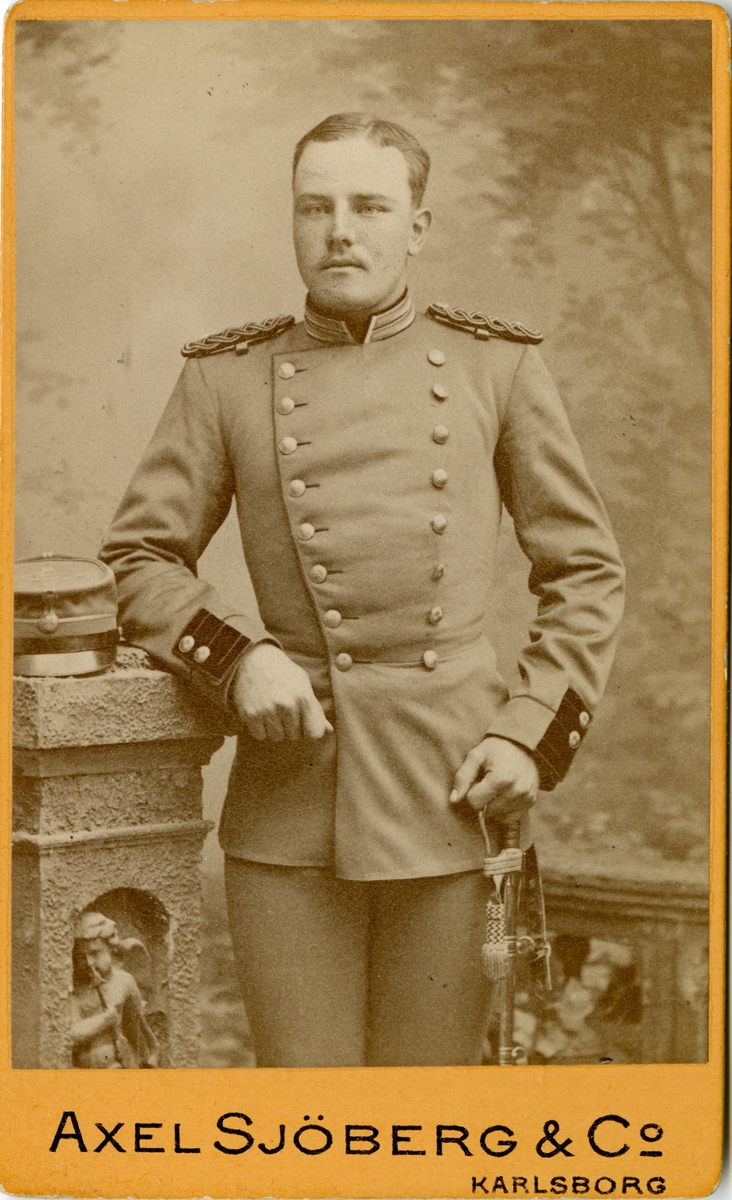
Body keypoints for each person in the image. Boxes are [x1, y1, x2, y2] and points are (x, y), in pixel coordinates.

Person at [100, 112, 624, 1068]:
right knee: (312, 1108)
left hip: (458, 790)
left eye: (369, 207)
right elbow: (139, 558)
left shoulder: (495, 366)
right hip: (291, 796)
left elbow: (584, 570)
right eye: (317, 207)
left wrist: (529, 735)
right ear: (294, 222)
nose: (340, 231)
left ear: (416, 227)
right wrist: (239, 658)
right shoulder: (226, 378)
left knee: (427, 1107)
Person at [69, 913, 158, 1069]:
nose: (89, 962)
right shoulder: (75, 990)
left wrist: (151, 1054)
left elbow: (138, 1028)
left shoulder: (124, 982)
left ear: (111, 949)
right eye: (82, 957)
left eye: (95, 953)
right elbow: (71, 1034)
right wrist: (104, 1020)